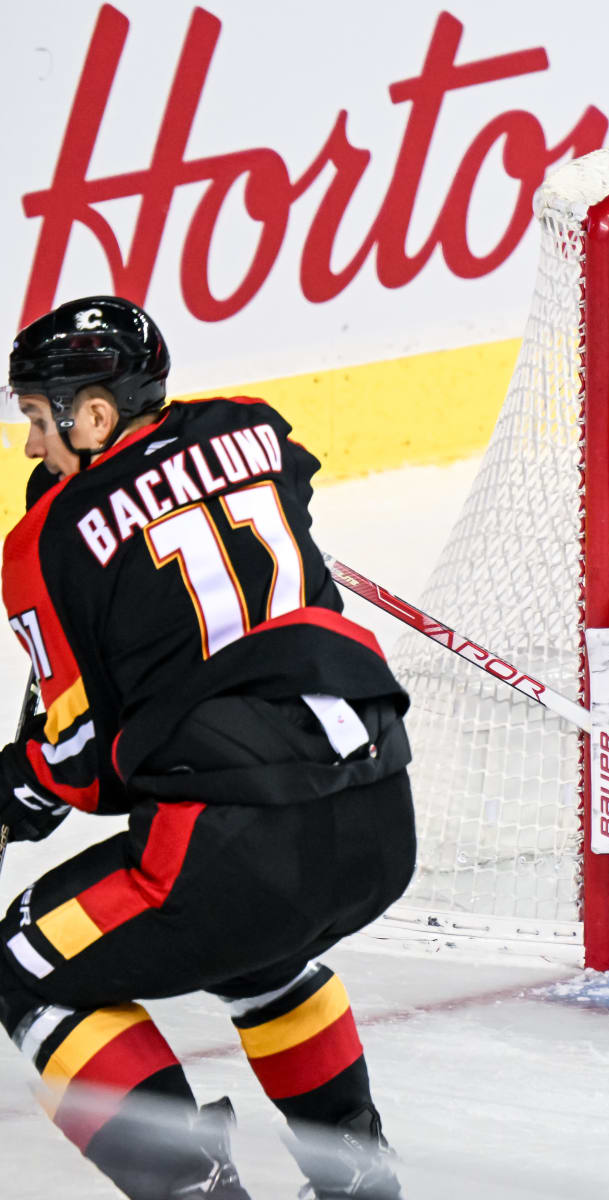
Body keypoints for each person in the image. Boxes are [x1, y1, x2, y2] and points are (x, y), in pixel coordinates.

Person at [0, 296, 415, 1198]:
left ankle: (193, 1190)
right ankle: (358, 1180)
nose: (32, 445)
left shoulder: (46, 543)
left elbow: (79, 763)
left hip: (238, 847)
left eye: (38, 417)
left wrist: (12, 796)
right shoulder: (256, 433)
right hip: (382, 813)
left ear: (96, 414)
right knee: (257, 951)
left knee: (28, 963)